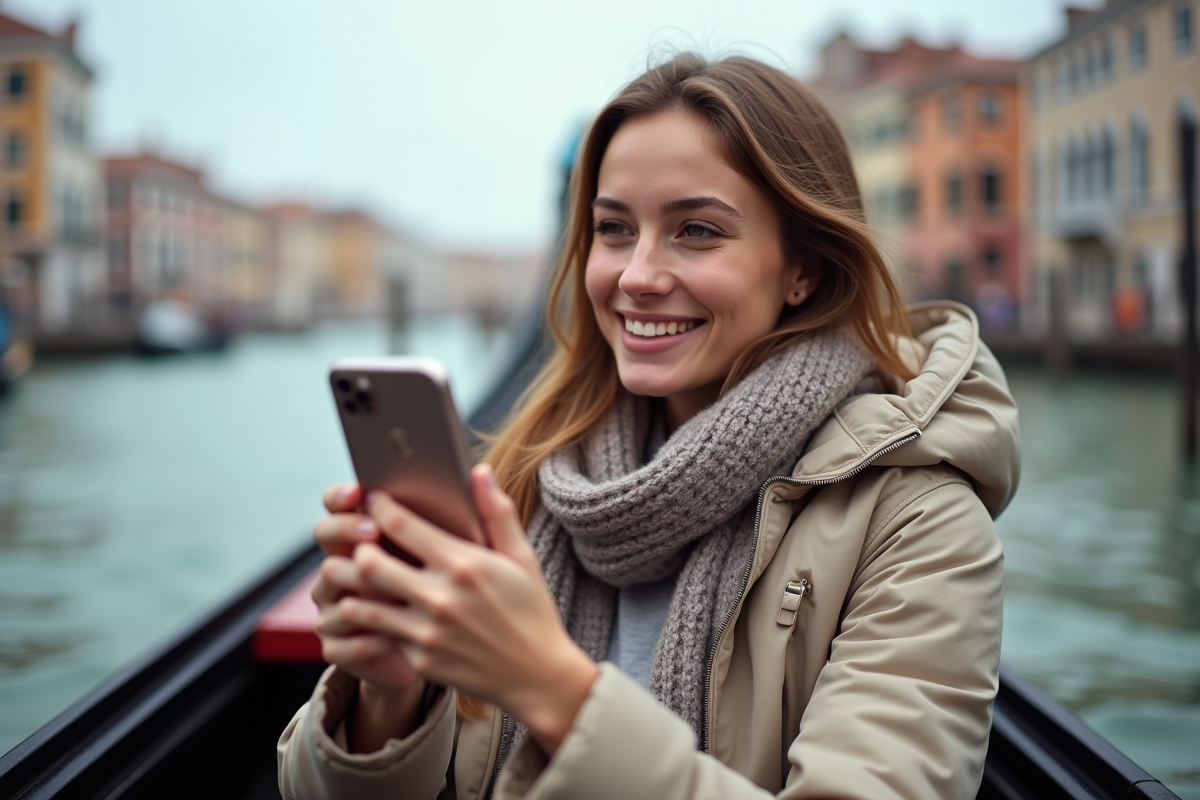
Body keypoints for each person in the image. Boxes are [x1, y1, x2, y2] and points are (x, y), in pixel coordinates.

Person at [278, 53, 1019, 800]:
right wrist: (387, 694)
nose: (636, 275)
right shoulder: (522, 477)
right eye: (613, 228)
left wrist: (549, 687)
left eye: (696, 230)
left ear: (806, 270)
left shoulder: (921, 524)